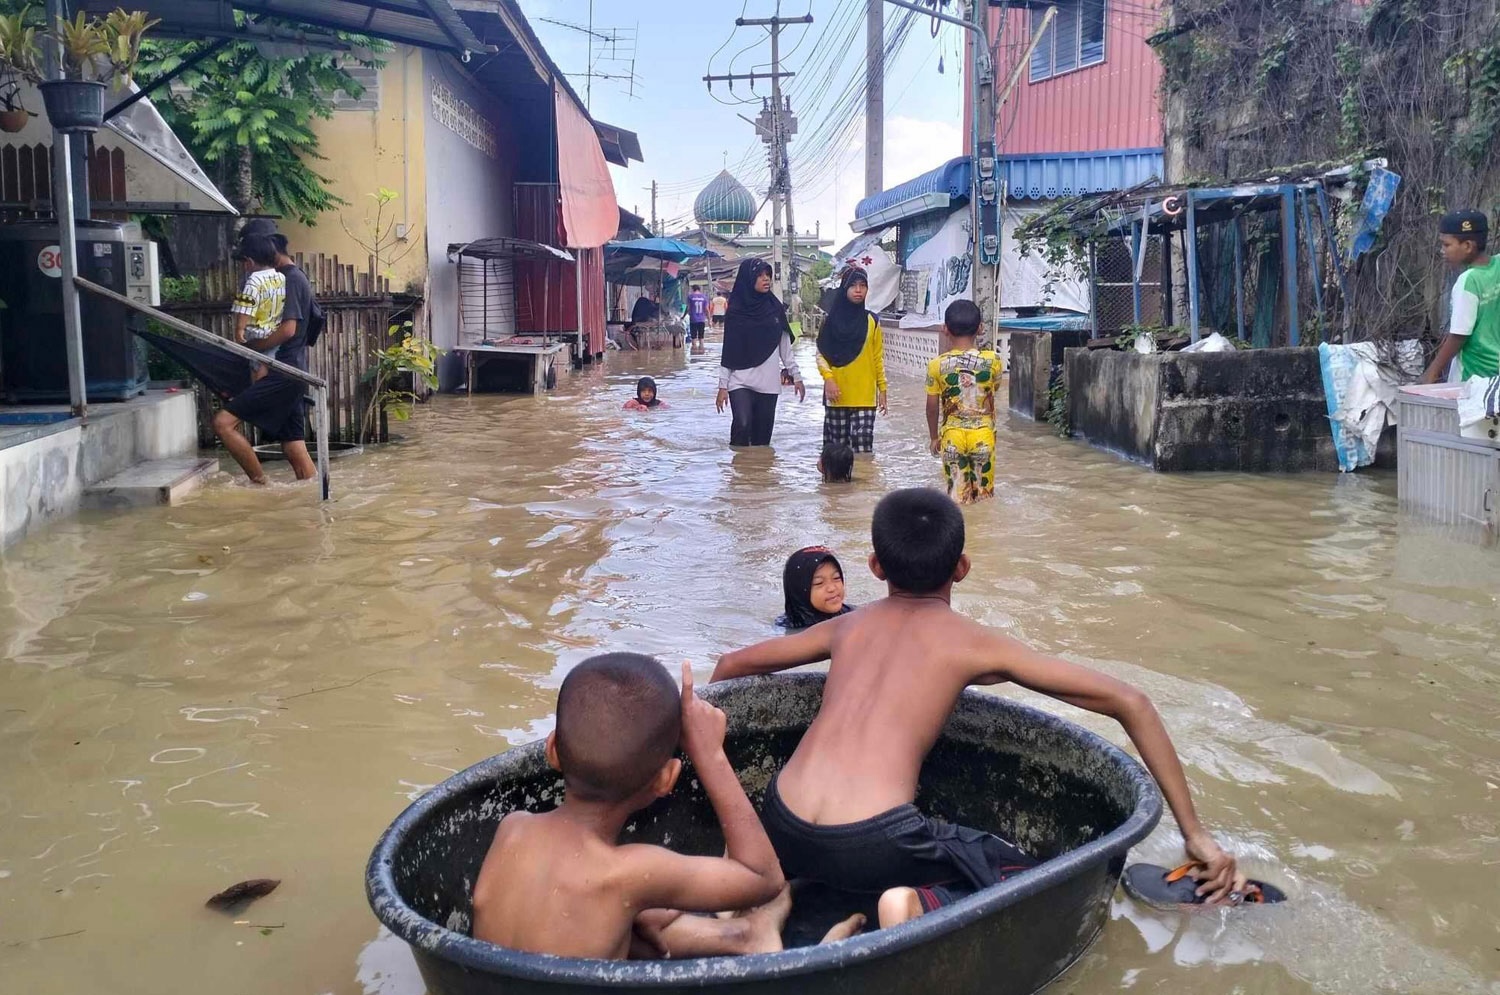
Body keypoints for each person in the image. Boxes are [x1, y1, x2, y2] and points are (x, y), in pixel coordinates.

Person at [711, 488, 1245, 929]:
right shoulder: (975, 644)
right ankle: (914, 906)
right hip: (876, 840)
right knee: (1032, 875)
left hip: (781, 822)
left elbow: (730, 666)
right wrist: (1196, 835)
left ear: (874, 566)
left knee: (841, 856)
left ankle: (781, 893)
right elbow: (1133, 703)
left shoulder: (847, 626)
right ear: (962, 568)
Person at [471, 654, 862, 959]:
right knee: (630, 903)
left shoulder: (513, 827)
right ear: (667, 779)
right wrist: (711, 755)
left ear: (553, 749)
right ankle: (784, 954)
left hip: (484, 980)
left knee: (622, 912)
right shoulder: (627, 873)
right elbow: (764, 878)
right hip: (611, 907)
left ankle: (742, 936)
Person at [212, 229, 317, 484]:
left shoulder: (286, 279)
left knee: (223, 423)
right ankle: (315, 500)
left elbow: (288, 329)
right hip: (294, 370)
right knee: (293, 445)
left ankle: (262, 485)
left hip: (281, 370)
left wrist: (252, 347)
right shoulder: (291, 278)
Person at [716, 259, 805, 446]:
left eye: (768, 275)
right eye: (760, 276)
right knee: (742, 423)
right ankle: (738, 470)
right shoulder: (735, 312)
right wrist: (722, 386)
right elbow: (729, 350)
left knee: (762, 442)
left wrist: (796, 376)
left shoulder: (775, 308)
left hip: (769, 383)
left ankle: (757, 474)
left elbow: (785, 347)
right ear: (749, 279)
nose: (766, 280)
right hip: (740, 380)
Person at [925, 300, 1003, 505]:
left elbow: (931, 408)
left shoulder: (936, 365)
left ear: (945, 329)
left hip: (952, 438)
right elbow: (994, 389)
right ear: (980, 328)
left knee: (956, 499)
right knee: (984, 499)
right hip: (983, 436)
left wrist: (934, 437)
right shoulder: (993, 360)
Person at [1419, 210, 1500, 384]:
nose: (1442, 251)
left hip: (1472, 376)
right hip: (1495, 375)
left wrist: (1431, 373)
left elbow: (1458, 336)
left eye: (1446, 245)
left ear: (1468, 246)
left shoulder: (1467, 281)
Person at [817, 268, 888, 454]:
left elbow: (877, 357)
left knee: (863, 450)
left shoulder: (872, 321)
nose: (858, 290)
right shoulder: (829, 321)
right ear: (844, 288)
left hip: (865, 397)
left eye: (863, 286)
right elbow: (821, 354)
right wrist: (828, 379)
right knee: (837, 453)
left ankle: (863, 485)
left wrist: (883, 389)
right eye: (853, 286)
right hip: (837, 395)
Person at [231, 234, 286, 382]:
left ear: (249, 262)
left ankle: (258, 390)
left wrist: (239, 329)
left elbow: (245, 307)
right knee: (267, 361)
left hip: (255, 334)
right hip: (274, 332)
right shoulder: (280, 277)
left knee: (256, 367)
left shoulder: (253, 280)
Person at [776, 546, 855, 630]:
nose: (832, 588)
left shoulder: (851, 613)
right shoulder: (791, 632)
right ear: (800, 592)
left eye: (836, 578)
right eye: (819, 583)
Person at [687, 285, 710, 355]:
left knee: (693, 337)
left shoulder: (690, 297)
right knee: (701, 337)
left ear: (693, 289)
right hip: (701, 320)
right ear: (699, 289)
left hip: (693, 320)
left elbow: (688, 308)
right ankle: (701, 352)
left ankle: (694, 353)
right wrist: (709, 320)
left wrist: (683, 316)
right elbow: (706, 309)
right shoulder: (704, 297)